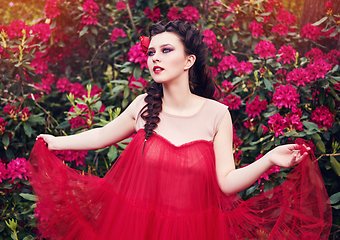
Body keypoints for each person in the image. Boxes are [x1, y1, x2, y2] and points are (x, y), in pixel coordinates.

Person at [29, 20, 332, 240]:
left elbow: (226, 183)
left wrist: (269, 158)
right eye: (150, 52)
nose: (155, 58)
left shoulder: (217, 114)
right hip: (136, 230)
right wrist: (55, 142)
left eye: (165, 49)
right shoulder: (142, 106)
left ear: (189, 60)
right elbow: (100, 135)